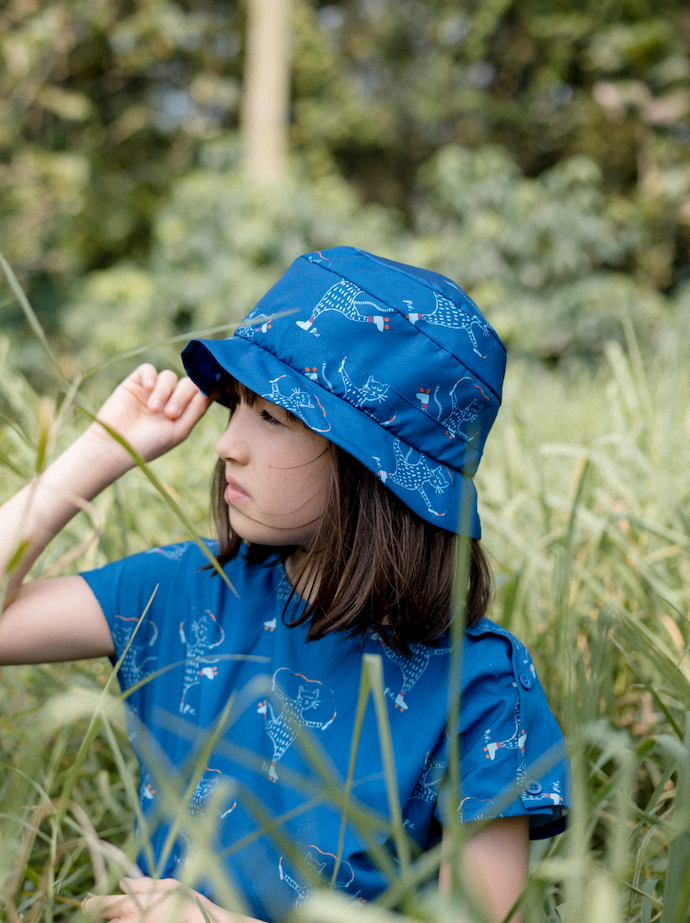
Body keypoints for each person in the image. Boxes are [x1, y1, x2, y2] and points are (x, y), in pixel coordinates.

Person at [0, 247, 569, 923]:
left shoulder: (479, 687)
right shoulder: (186, 591)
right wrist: (99, 452)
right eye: (235, 405)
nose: (225, 444)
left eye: (272, 417)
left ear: (374, 466)